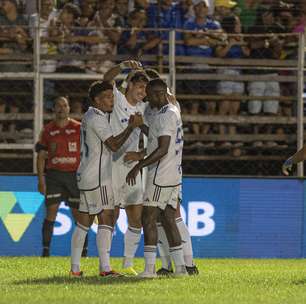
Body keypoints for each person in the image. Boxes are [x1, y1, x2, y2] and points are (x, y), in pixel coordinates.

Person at [70, 80, 143, 277]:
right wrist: (130, 127)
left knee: (84, 222)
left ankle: (75, 269)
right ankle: (106, 268)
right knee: (107, 217)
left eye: (112, 97)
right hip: (98, 176)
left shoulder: (90, 115)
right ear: (96, 100)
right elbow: (113, 145)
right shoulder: (97, 119)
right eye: (107, 98)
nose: (111, 100)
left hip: (87, 173)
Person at [126, 79, 187, 278]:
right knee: (169, 218)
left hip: (160, 175)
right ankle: (180, 269)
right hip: (174, 173)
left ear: (157, 94)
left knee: (148, 218)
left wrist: (139, 165)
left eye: (149, 94)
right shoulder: (173, 111)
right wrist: (141, 126)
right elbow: (157, 137)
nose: (146, 97)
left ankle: (149, 269)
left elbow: (162, 148)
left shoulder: (165, 115)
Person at [103, 60, 148, 275]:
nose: (143, 91)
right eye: (139, 86)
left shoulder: (146, 108)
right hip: (112, 165)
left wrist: (140, 155)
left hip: (133, 167)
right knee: (110, 216)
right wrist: (122, 66)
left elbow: (158, 138)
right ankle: (106, 265)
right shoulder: (118, 98)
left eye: (145, 87)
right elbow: (106, 79)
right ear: (129, 85)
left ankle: (128, 263)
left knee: (136, 217)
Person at [36, 96, 88, 257]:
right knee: (51, 211)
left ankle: (83, 252)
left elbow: (89, 152)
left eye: (64, 105)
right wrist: (41, 180)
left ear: (69, 108)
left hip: (75, 175)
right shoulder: (47, 130)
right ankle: (45, 252)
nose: (61, 108)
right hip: (54, 176)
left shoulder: (79, 128)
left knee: (79, 215)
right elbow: (41, 156)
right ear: (53, 109)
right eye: (58, 105)